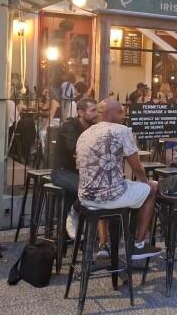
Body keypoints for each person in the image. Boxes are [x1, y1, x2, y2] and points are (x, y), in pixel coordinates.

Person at [76, 99, 161, 261]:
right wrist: (145, 183)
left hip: (86, 198)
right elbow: (136, 167)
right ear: (111, 114)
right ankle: (139, 245)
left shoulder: (85, 133)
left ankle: (104, 244)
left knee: (115, 186)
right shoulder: (122, 130)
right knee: (152, 188)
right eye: (120, 112)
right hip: (110, 197)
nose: (123, 116)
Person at [52, 98, 112, 256]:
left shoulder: (95, 128)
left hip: (84, 173)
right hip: (63, 171)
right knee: (92, 188)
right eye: (93, 111)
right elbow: (76, 150)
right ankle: (75, 211)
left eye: (97, 111)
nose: (96, 115)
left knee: (106, 187)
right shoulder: (70, 127)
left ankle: (94, 238)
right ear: (80, 112)